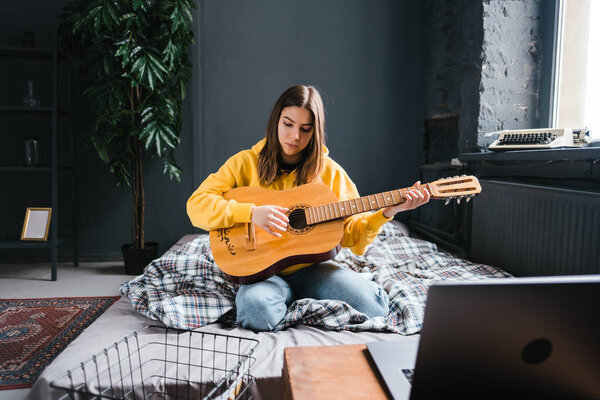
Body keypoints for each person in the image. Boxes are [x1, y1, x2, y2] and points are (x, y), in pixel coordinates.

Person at [187, 85, 430, 332]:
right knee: (256, 312)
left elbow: (353, 237)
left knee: (375, 307)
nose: (295, 137)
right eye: (288, 124)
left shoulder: (330, 172)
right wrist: (251, 213)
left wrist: (388, 212)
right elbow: (197, 205)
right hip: (261, 273)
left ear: (316, 131)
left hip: (314, 271)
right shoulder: (244, 163)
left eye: (305, 129)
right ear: (275, 121)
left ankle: (297, 298)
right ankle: (282, 297)